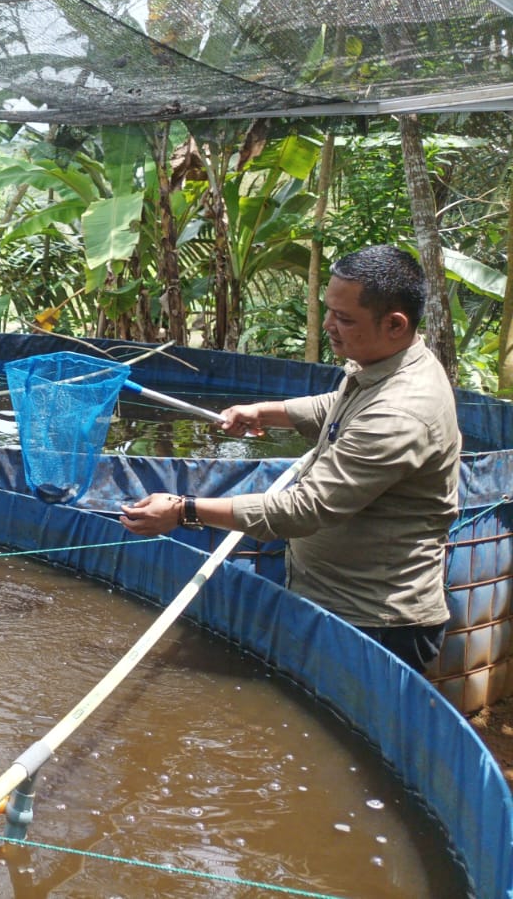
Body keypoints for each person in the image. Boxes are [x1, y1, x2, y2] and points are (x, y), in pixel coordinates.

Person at [120, 245, 459, 673]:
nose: (330, 326)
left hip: (375, 623)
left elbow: (305, 509)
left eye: (345, 318)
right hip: (336, 603)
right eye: (328, 311)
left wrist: (185, 509)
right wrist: (267, 412)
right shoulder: (386, 366)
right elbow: (338, 405)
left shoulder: (401, 413)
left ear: (395, 324)